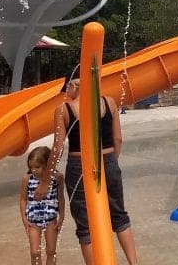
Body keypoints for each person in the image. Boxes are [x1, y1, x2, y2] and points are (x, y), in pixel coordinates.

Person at [49, 76, 139, 265]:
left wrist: (45, 179)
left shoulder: (63, 110)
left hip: (78, 164)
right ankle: (133, 262)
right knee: (119, 215)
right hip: (107, 159)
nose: (66, 94)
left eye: (66, 90)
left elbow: (58, 149)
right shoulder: (109, 102)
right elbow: (118, 140)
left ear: (73, 85)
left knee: (85, 225)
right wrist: (110, 162)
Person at [20, 146, 64, 265]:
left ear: (47, 164)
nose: (33, 170)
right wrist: (24, 218)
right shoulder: (27, 179)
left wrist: (62, 217)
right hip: (33, 221)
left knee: (51, 251)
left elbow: (60, 198)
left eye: (37, 167)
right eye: (31, 167)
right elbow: (23, 199)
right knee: (35, 252)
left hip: (51, 220)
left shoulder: (57, 178)